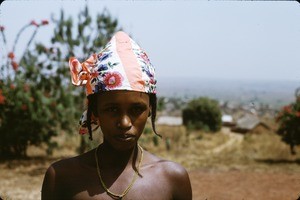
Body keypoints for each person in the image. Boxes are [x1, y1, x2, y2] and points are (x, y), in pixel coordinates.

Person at [41, 31, 192, 200]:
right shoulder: (62, 178)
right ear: (95, 111)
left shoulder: (172, 179)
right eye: (112, 110)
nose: (125, 122)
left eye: (136, 109)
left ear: (150, 109)